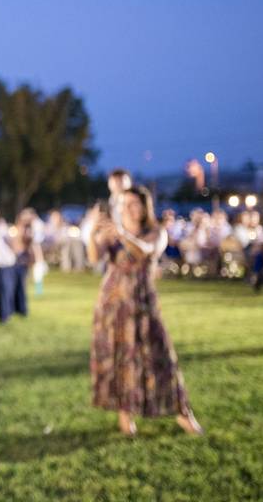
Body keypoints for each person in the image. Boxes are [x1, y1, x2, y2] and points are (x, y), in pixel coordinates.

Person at [89, 185, 203, 437]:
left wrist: (119, 233)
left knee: (161, 357)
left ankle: (183, 413)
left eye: (134, 204)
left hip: (142, 302)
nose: (128, 209)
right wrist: (93, 231)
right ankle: (124, 413)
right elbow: (94, 257)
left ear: (144, 206)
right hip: (113, 303)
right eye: (124, 204)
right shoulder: (113, 232)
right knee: (120, 358)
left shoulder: (155, 232)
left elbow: (145, 251)